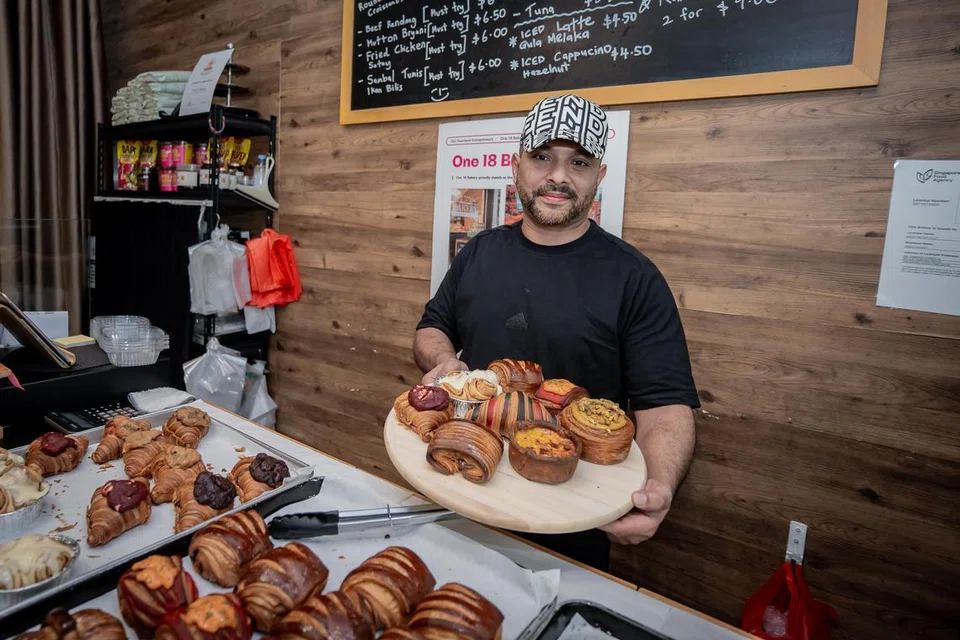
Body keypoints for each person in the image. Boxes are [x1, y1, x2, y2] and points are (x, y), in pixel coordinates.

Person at [413, 94, 700, 571]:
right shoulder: (479, 252)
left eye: (579, 162)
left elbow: (665, 405)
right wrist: (443, 361)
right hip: (461, 483)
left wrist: (659, 486)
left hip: (570, 515)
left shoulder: (635, 278)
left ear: (599, 176)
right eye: (542, 157)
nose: (559, 176)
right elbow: (433, 326)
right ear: (516, 166)